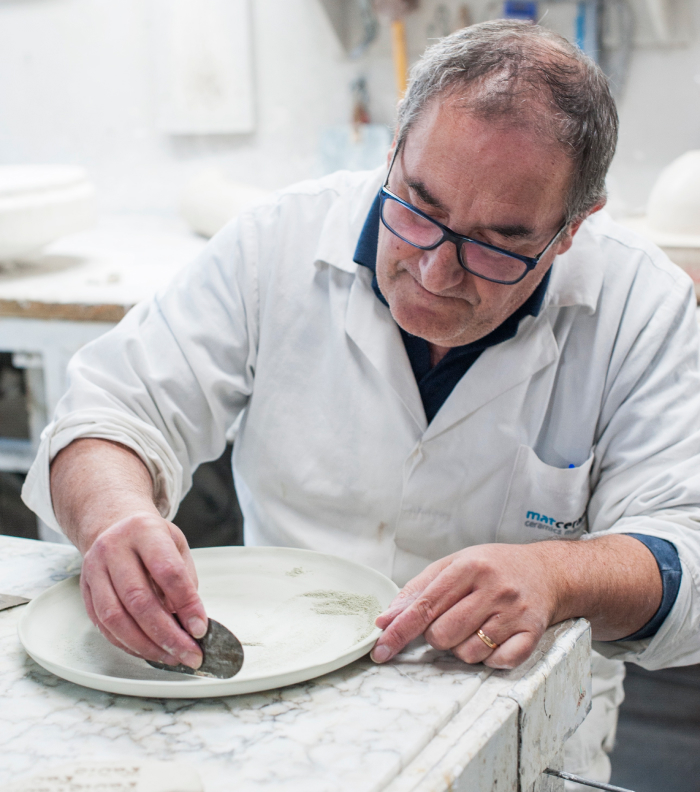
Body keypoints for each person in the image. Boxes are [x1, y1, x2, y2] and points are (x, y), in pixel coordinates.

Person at [23, 20, 700, 786]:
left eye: (495, 245)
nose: (437, 272)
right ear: (394, 150)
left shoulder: (641, 304)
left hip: (517, 737)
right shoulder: (276, 241)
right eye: (418, 207)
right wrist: (114, 516)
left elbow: (687, 551)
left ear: (571, 230)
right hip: (275, 705)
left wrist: (559, 575)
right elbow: (110, 412)